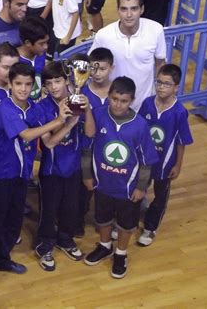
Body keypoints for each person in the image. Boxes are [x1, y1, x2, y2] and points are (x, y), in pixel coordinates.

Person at [0, 62, 73, 279]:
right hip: (1, 175)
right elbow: (27, 135)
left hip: (23, 176)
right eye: (18, 83)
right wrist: (58, 120)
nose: (23, 88)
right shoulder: (4, 107)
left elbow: (48, 142)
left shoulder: (34, 107)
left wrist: (69, 123)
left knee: (14, 222)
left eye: (28, 84)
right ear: (10, 84)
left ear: (33, 86)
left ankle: (1, 258)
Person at [83, 76, 158, 279]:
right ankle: (105, 245)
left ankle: (121, 253)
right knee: (102, 219)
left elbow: (146, 160)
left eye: (123, 101)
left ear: (132, 100)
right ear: (108, 96)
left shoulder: (140, 125)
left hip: (128, 189)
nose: (118, 104)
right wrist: (87, 174)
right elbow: (87, 148)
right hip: (102, 184)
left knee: (127, 224)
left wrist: (141, 187)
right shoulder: (97, 115)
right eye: (115, 98)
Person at [35, 61, 95, 271]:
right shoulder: (41, 108)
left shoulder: (77, 101)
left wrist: (86, 111)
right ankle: (44, 245)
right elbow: (48, 143)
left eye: (58, 81)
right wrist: (67, 123)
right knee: (49, 210)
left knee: (71, 207)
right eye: (49, 83)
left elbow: (89, 133)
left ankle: (65, 239)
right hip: (51, 170)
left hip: (74, 167)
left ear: (68, 81)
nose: (54, 87)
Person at [137, 64, 193, 246]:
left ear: (176, 87)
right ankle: (127, 221)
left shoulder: (179, 112)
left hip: (165, 164)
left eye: (167, 84)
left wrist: (178, 165)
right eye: (159, 82)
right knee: (137, 188)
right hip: (145, 161)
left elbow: (182, 141)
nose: (161, 87)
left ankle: (150, 227)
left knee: (161, 196)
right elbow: (138, 129)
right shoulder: (147, 104)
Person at [89, 0, 166, 111]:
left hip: (145, 105)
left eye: (134, 9)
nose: (129, 15)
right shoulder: (104, 35)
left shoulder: (156, 30)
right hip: (113, 107)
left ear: (142, 9)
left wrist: (160, 97)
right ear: (118, 10)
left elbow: (160, 64)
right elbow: (92, 65)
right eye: (124, 9)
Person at [75, 48, 114, 236]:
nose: (98, 73)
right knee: (83, 189)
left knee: (106, 189)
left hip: (108, 150)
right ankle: (78, 219)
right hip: (85, 149)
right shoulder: (80, 91)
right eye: (94, 69)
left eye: (103, 69)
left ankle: (104, 221)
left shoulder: (117, 93)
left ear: (112, 69)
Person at [17, 16, 50, 101]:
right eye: (42, 43)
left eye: (47, 42)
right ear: (28, 43)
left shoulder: (41, 53)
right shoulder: (13, 60)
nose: (46, 47)